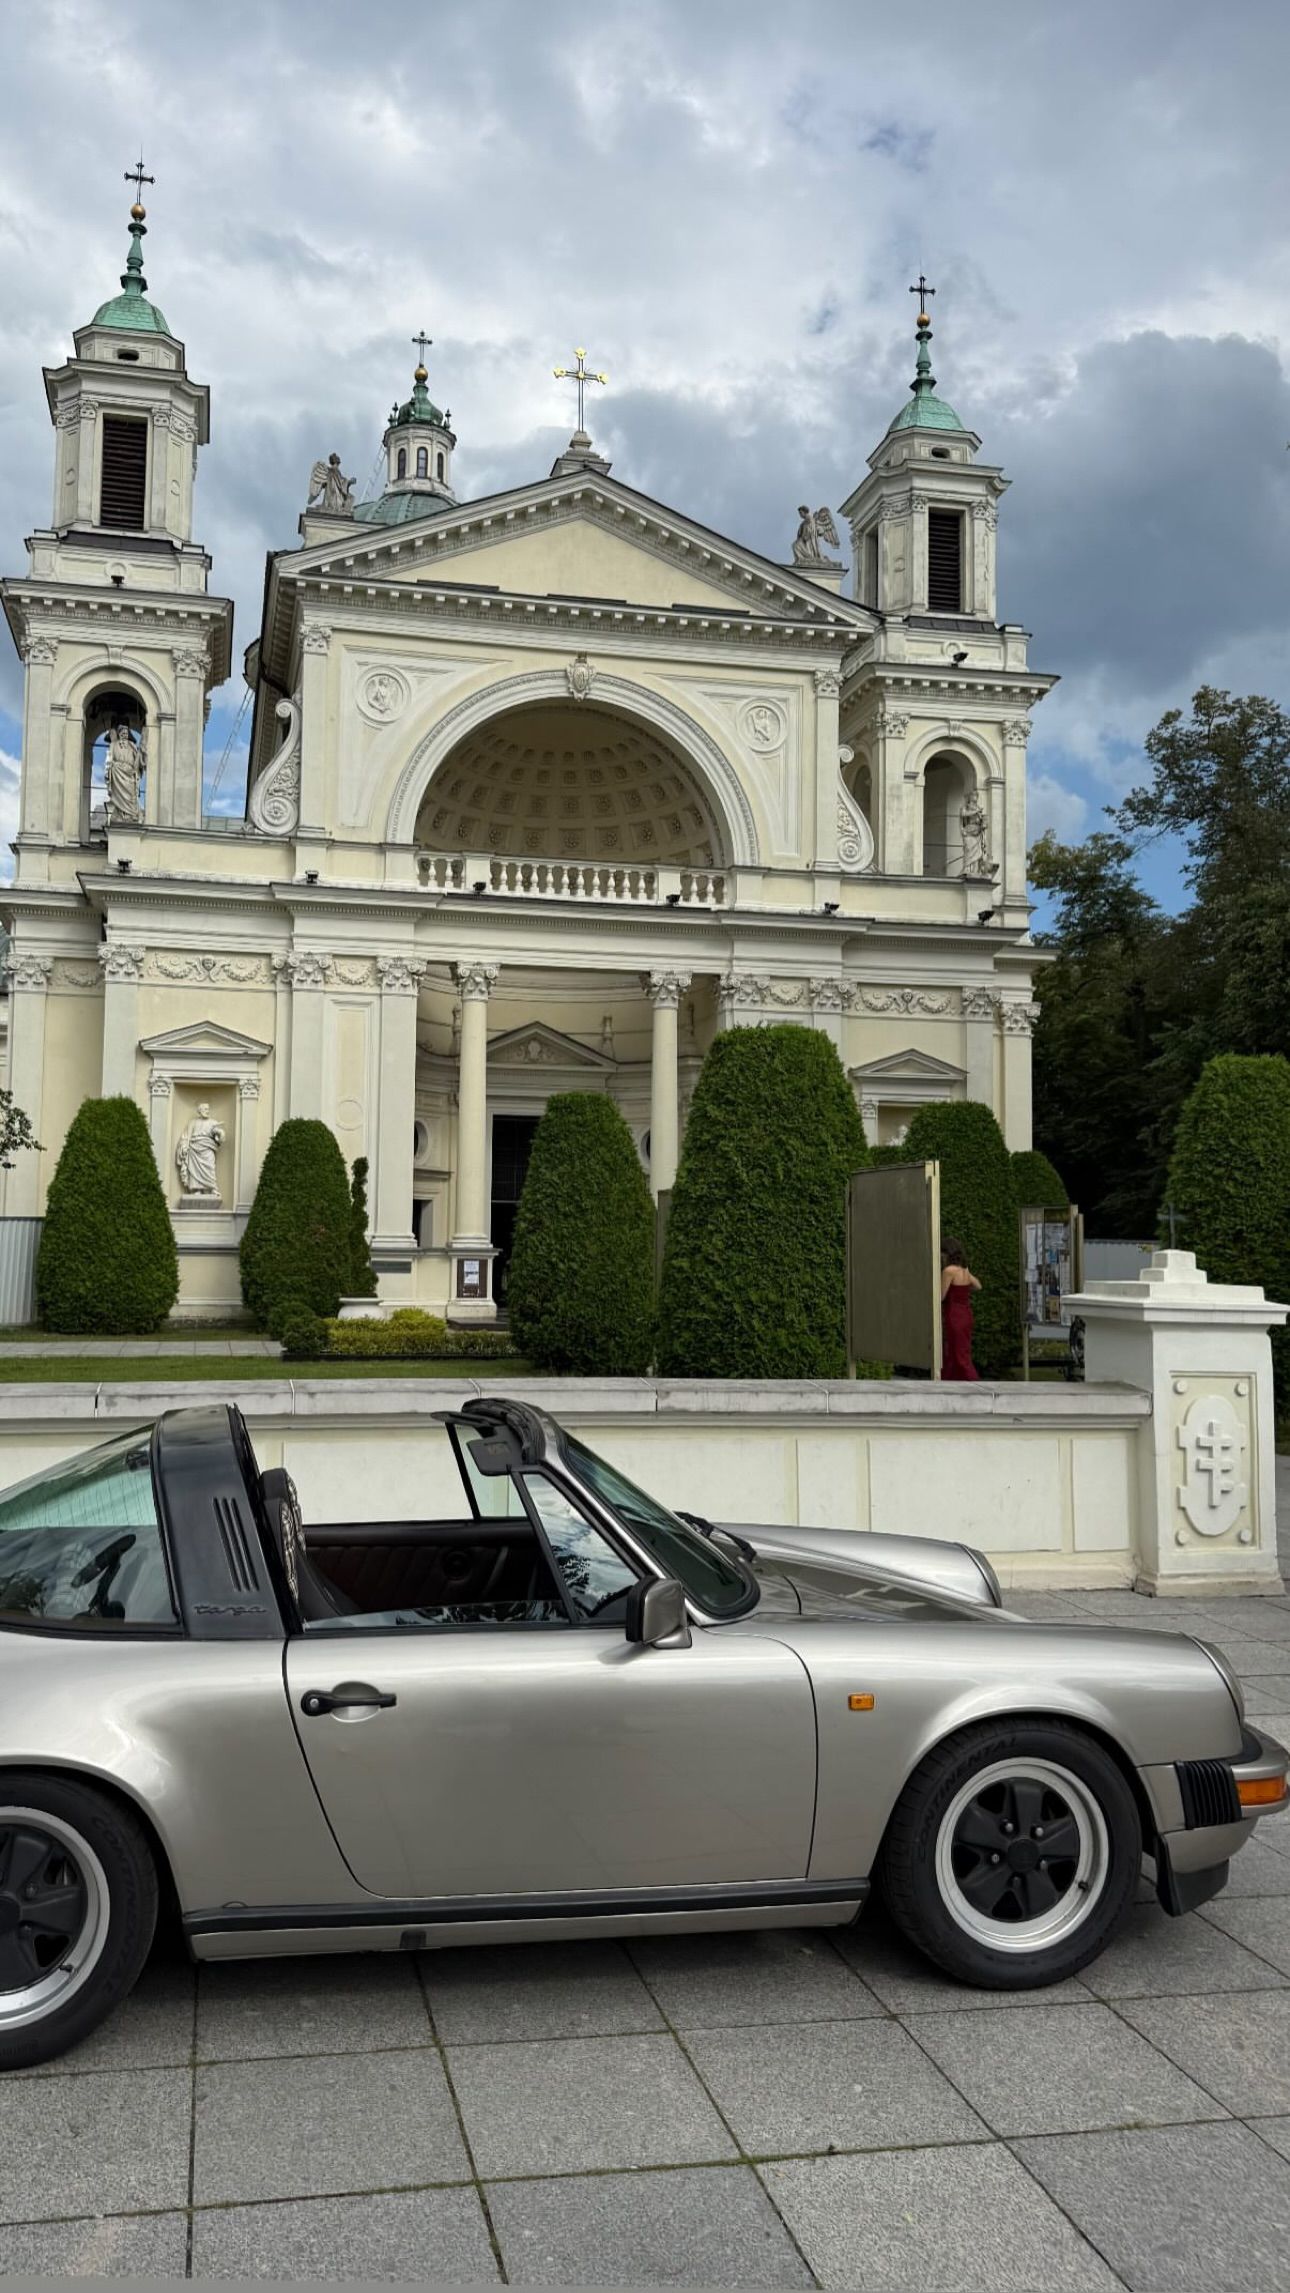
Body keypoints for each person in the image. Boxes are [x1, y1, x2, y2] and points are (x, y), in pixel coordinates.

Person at [940, 1236, 981, 1380]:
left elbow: (941, 1296)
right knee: (962, 1351)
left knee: (956, 1354)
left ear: (947, 1252)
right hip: (966, 1314)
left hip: (954, 1315)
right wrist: (964, 1289)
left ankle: (973, 1383)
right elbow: (978, 1286)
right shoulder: (965, 1270)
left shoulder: (949, 1271)